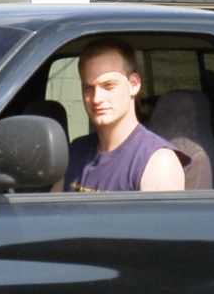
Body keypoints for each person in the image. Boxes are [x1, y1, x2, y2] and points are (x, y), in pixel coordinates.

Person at [59, 39, 187, 192]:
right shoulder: (77, 151)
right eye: (88, 88)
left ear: (134, 84)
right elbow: (49, 212)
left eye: (108, 86)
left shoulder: (157, 161)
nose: (96, 98)